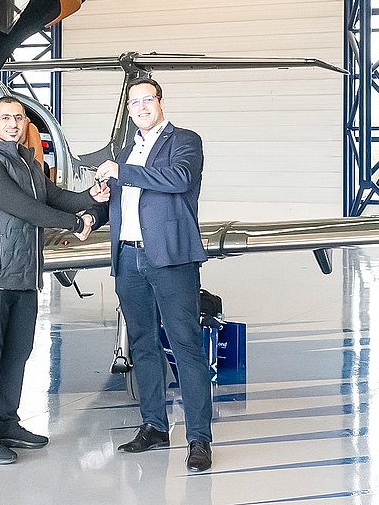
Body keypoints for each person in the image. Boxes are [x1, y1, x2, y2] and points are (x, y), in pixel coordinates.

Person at [0, 96, 107, 464]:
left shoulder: (27, 160)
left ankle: (7, 423)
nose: (12, 123)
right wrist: (76, 223)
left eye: (19, 117)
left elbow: (52, 196)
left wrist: (88, 198)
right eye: (4, 118)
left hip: (24, 272)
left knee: (17, 354)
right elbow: (23, 207)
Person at [88, 78, 214, 472]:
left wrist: (121, 171)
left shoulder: (184, 140)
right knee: (142, 344)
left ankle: (198, 439)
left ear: (160, 102)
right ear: (128, 110)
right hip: (128, 258)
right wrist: (95, 212)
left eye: (148, 99)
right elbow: (124, 200)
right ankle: (155, 425)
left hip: (170, 258)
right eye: (134, 102)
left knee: (185, 345)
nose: (141, 107)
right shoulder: (129, 151)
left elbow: (179, 180)